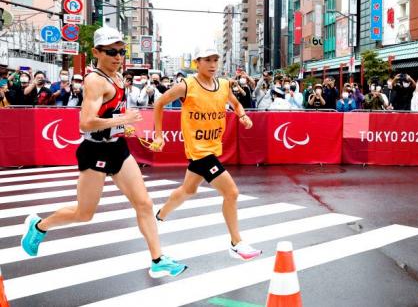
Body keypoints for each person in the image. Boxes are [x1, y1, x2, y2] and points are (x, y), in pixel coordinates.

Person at [20, 26, 186, 277]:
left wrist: (124, 126)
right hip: (95, 151)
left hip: (118, 149)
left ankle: (158, 259)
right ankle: (39, 226)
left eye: (121, 51)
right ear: (97, 52)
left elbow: (110, 114)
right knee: (84, 213)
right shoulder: (95, 81)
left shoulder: (119, 77)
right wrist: (121, 120)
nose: (118, 57)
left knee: (144, 203)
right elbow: (85, 123)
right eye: (111, 52)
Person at [151, 45, 261, 261]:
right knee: (231, 193)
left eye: (215, 60)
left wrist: (243, 116)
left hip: (212, 148)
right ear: (197, 63)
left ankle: (159, 216)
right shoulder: (187, 85)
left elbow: (237, 105)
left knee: (187, 190)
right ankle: (236, 243)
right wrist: (158, 135)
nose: (212, 65)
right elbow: (159, 103)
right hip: (199, 151)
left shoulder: (223, 85)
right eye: (207, 60)